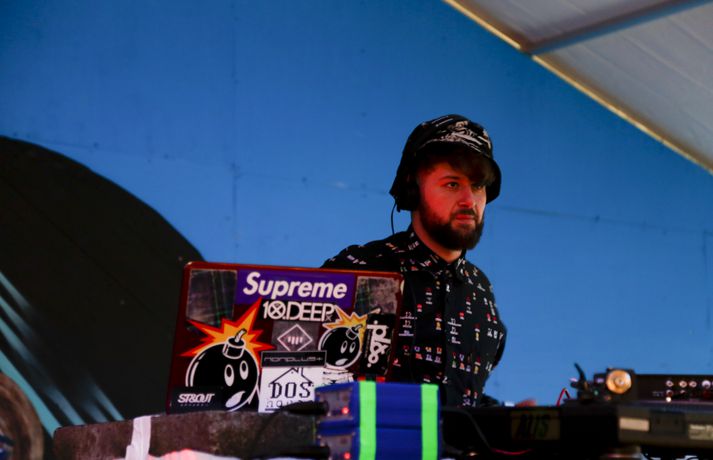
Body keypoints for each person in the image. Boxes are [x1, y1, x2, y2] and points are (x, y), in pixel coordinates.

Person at [322, 114, 506, 407]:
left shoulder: (481, 290)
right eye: (452, 184)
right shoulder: (359, 270)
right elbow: (304, 388)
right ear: (412, 189)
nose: (469, 201)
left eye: (478, 186)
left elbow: (462, 399)